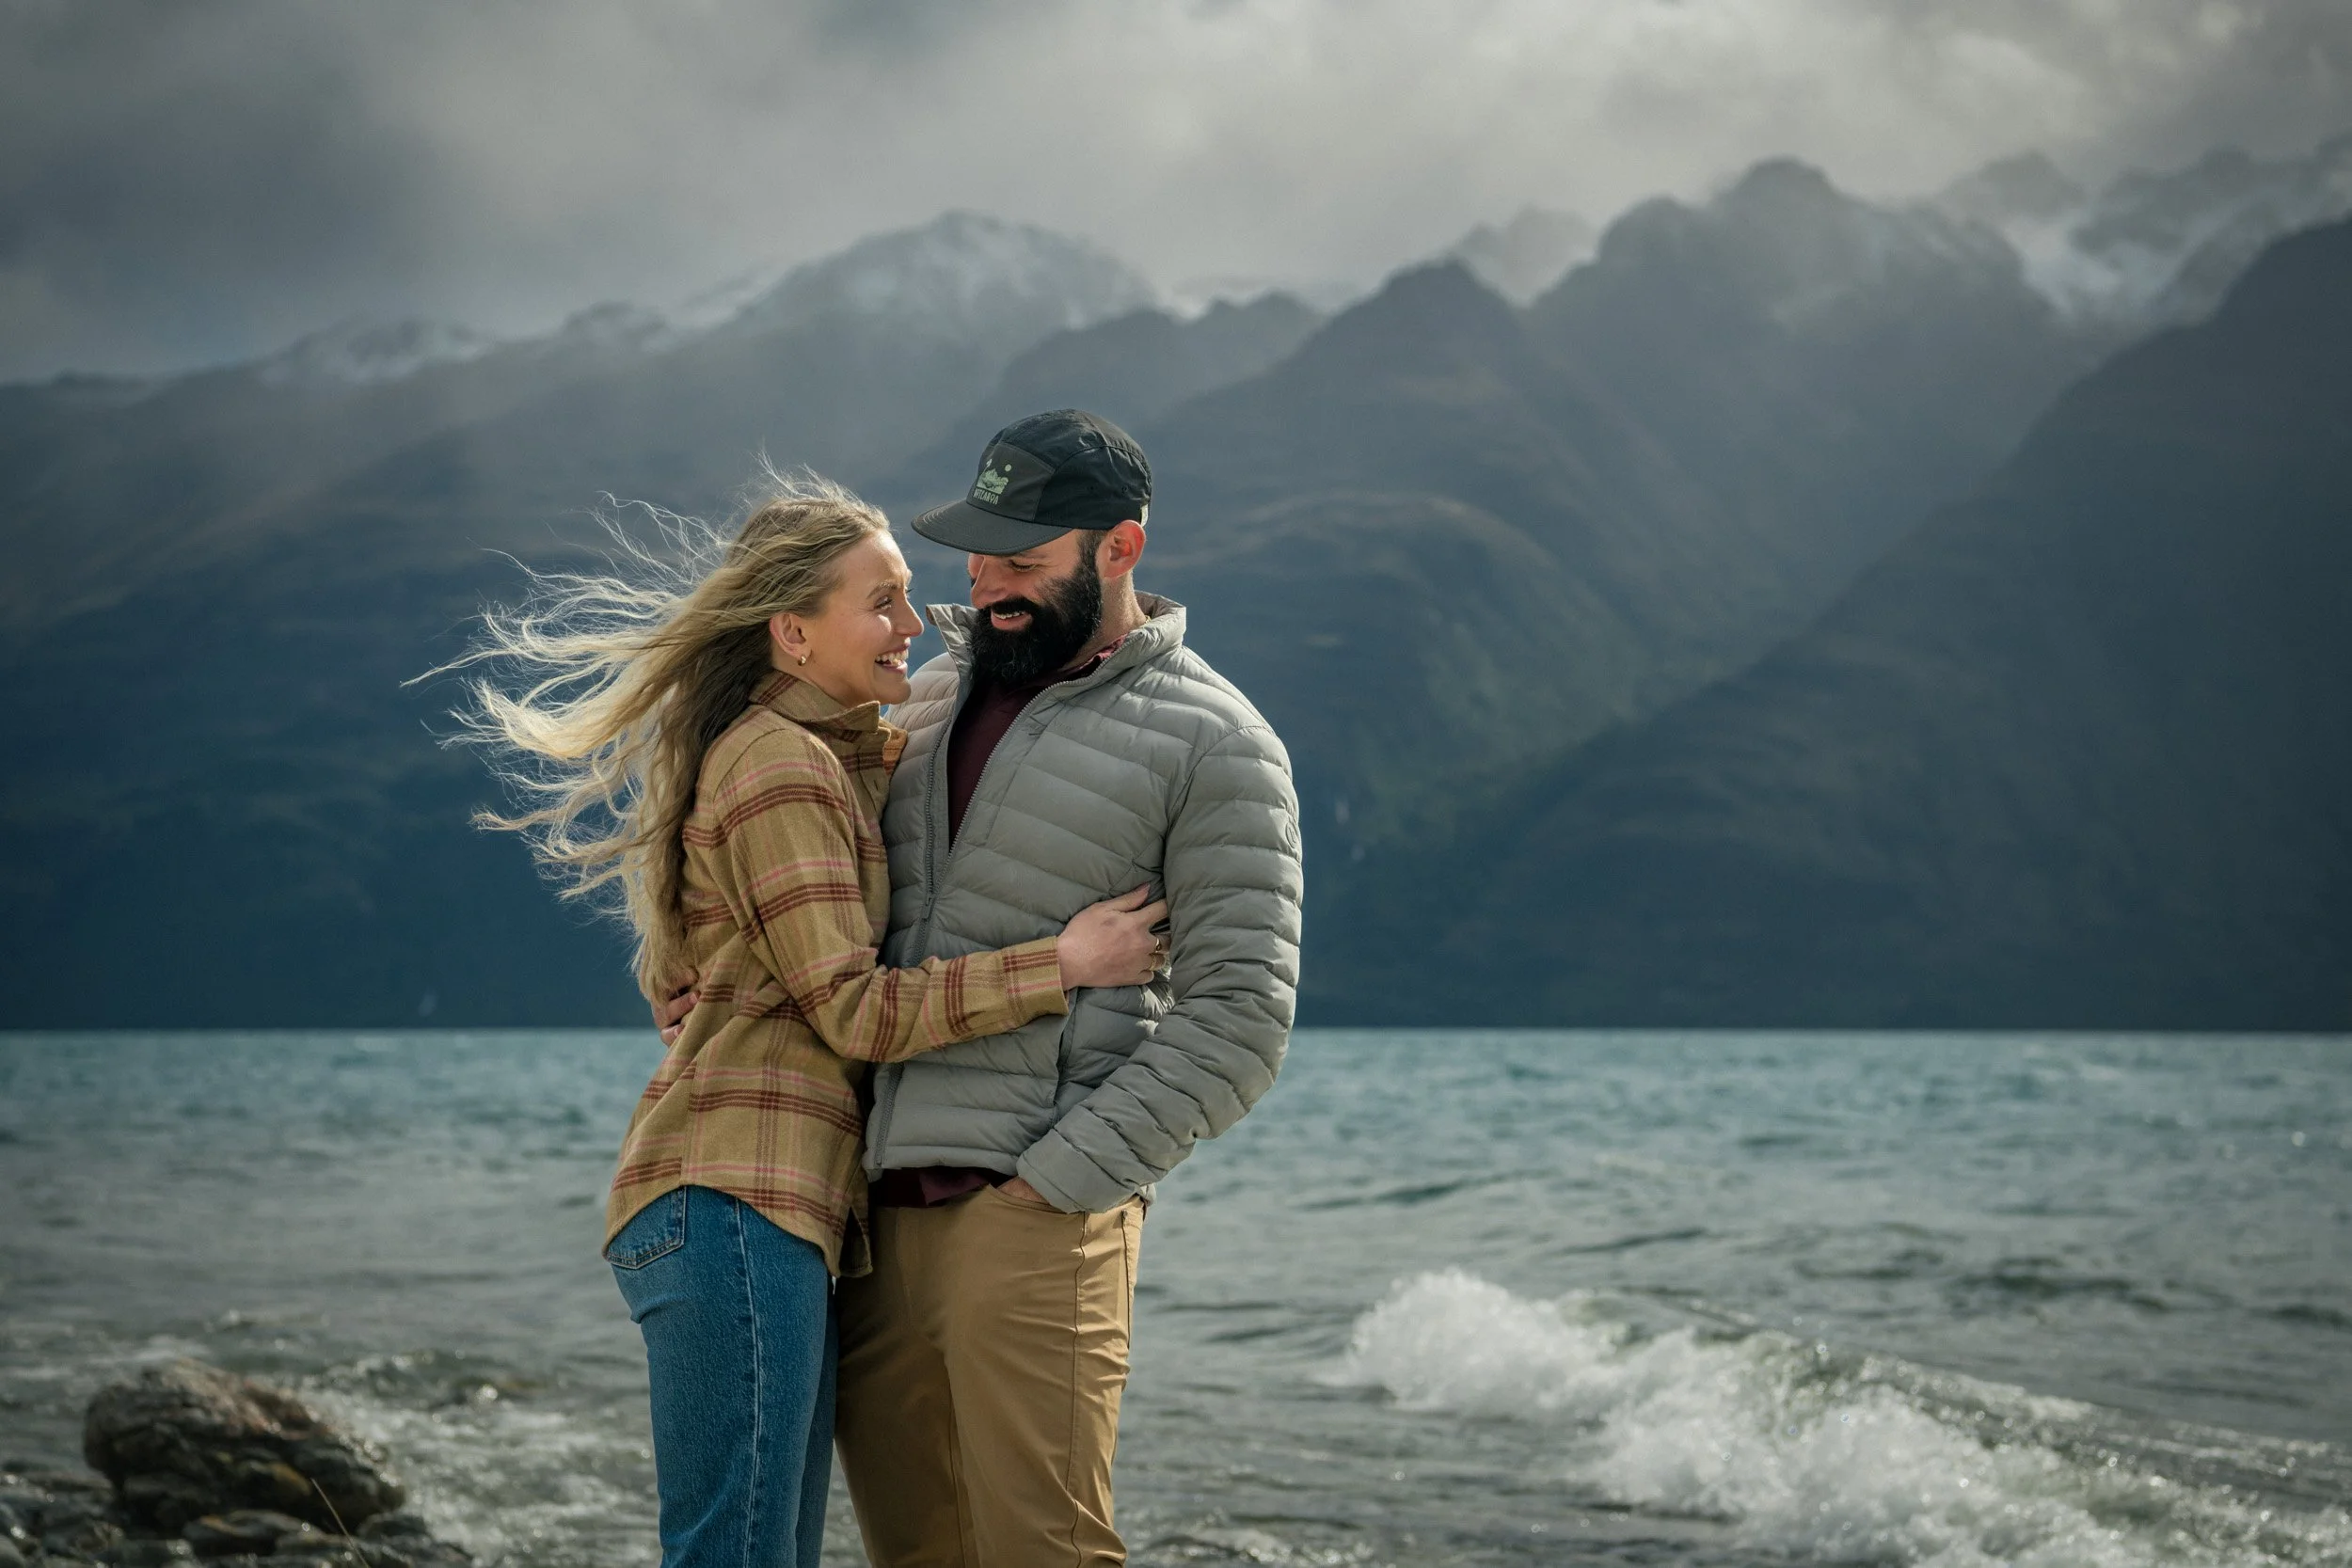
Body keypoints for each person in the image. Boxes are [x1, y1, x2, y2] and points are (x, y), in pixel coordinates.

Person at [447, 475, 1169, 1568]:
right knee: (735, 1550)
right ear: (792, 633)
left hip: (755, 1207)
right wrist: (1061, 964)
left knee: (762, 1548)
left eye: (910, 596)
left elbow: (880, 793)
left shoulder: (814, 753)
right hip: (735, 1198)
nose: (915, 625)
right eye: (881, 601)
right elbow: (852, 1007)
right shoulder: (780, 767)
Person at [840, 408, 1304, 1565]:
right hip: (864, 1218)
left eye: (1024, 560)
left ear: (1120, 550)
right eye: (979, 554)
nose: (989, 583)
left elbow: (1240, 1017)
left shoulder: (1218, 741)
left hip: (1035, 1218)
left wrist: (1054, 1188)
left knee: (1046, 1551)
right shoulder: (920, 700)